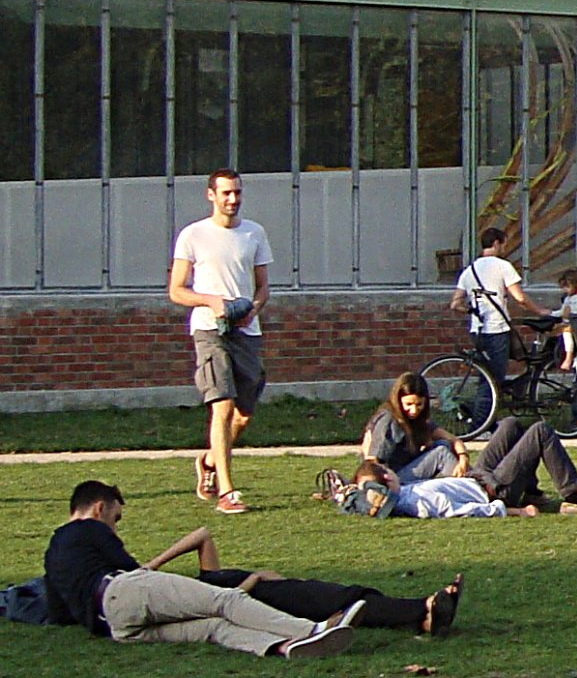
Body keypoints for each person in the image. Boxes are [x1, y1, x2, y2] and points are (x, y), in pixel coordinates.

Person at [44, 481, 358, 659]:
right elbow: (131, 569)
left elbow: (59, 611)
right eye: (116, 519)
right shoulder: (91, 528)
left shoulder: (53, 551)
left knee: (214, 629)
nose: (114, 527)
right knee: (224, 600)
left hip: (116, 629)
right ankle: (313, 630)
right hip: (123, 591)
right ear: (100, 508)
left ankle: (285, 647)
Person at [169, 168, 273, 515]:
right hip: (209, 330)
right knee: (223, 406)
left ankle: (210, 461)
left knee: (242, 416)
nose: (232, 199)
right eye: (226, 193)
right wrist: (211, 302)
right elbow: (176, 290)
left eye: (237, 193)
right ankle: (227, 493)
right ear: (211, 195)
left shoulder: (254, 233)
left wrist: (252, 309)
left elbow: (263, 287)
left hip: (246, 332)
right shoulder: (193, 235)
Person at [164, 526, 464, 636]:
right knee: (349, 600)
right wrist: (253, 579)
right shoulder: (197, 595)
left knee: (352, 600)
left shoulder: (206, 576)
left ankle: (423, 618)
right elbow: (222, 606)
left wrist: (153, 565)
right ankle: (424, 607)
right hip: (275, 600)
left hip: (281, 589)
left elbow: (202, 535)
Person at [450, 227, 550, 419]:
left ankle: (484, 418)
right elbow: (520, 298)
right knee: (493, 379)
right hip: (497, 329)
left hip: (477, 330)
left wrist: (472, 309)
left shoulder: (469, 270)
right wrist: (540, 311)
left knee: (486, 376)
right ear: (496, 243)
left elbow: (455, 304)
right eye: (504, 244)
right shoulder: (503, 266)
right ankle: (481, 423)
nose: (504, 248)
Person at [362, 372, 472, 484]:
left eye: (419, 404)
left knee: (444, 444)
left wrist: (463, 458)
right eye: (408, 404)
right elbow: (373, 462)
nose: (414, 410)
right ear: (398, 400)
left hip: (408, 467)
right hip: (393, 479)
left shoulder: (419, 420)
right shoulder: (389, 420)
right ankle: (471, 484)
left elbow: (453, 439)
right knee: (441, 453)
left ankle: (468, 479)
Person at [354, 461, 539, 518]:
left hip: (476, 477)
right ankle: (560, 492)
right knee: (539, 432)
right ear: (387, 477)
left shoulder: (403, 491)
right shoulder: (417, 502)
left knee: (509, 425)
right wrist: (519, 511)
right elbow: (462, 510)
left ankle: (533, 492)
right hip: (493, 490)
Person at [550, 269, 577, 370]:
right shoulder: (567, 298)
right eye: (564, 287)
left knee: (566, 332)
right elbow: (562, 311)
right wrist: (551, 313)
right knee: (554, 330)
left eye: (568, 287)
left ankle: (568, 358)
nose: (565, 290)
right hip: (568, 321)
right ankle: (556, 354)